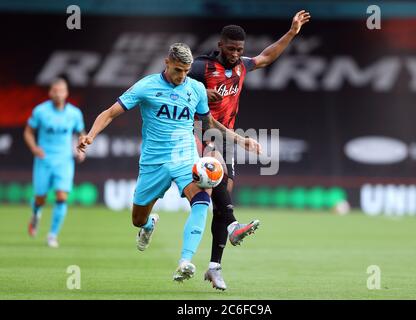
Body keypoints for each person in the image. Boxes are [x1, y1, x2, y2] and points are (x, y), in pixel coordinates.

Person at [77, 43, 261, 282]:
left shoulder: (195, 88)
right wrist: (90, 136)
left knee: (203, 197)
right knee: (137, 219)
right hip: (154, 162)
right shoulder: (146, 86)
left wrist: (240, 139)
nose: (182, 76)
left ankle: (185, 261)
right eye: (177, 70)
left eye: (185, 71)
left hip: (185, 156)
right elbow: (110, 113)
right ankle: (149, 223)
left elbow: (209, 123)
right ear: (167, 63)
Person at [189, 10, 311, 290]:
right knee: (217, 181)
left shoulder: (242, 66)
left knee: (222, 202)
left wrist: (292, 32)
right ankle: (234, 227)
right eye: (230, 48)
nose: (235, 53)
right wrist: (198, 92)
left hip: (227, 138)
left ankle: (214, 267)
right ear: (220, 45)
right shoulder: (201, 67)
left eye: (239, 49)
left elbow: (266, 57)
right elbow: (173, 77)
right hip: (199, 132)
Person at [24, 78, 86, 248]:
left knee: (61, 196)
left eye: (61, 91)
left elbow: (82, 134)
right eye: (55, 90)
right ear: (50, 93)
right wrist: (34, 148)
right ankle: (36, 214)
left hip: (64, 161)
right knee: (40, 198)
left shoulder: (74, 114)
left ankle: (52, 235)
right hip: (43, 160)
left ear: (66, 93)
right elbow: (28, 132)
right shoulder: (40, 111)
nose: (58, 94)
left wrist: (81, 150)